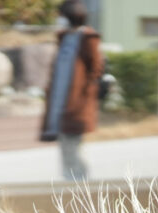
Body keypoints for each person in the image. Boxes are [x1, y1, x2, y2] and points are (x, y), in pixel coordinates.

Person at [40, 0, 104, 181]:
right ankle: (70, 180)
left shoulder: (88, 38)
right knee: (65, 144)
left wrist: (85, 95)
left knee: (73, 143)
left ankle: (80, 182)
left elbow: (96, 69)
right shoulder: (64, 37)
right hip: (60, 101)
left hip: (77, 103)